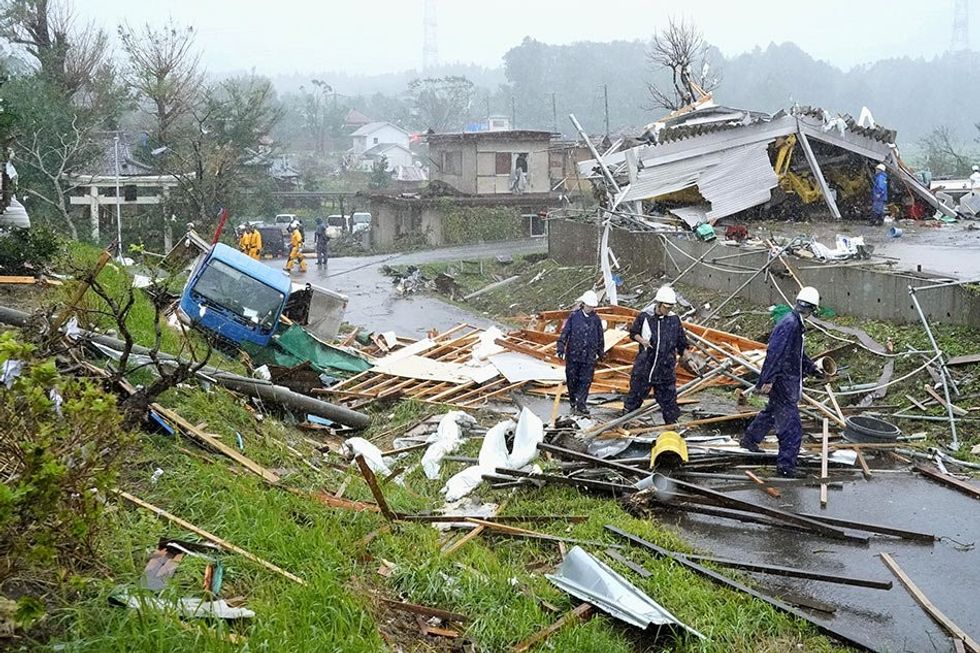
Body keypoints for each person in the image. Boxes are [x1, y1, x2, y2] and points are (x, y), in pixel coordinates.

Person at [740, 286, 824, 478]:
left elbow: (796, 353)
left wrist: (811, 367)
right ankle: (786, 466)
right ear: (811, 309)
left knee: (771, 413)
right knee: (791, 428)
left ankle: (749, 440)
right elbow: (775, 352)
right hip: (784, 383)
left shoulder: (794, 322)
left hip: (785, 381)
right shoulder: (790, 324)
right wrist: (767, 379)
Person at [622, 286, 690, 424]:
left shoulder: (674, 320)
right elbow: (633, 333)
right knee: (635, 396)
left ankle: (672, 427)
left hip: (665, 369)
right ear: (658, 304)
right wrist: (642, 341)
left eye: (671, 307)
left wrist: (688, 357)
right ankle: (625, 421)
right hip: (645, 366)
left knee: (669, 402)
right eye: (666, 307)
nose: (668, 310)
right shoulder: (645, 316)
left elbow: (682, 343)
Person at [556, 290, 605, 416]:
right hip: (573, 354)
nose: (590, 309)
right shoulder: (574, 317)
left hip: (589, 356)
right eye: (589, 306)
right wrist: (561, 346)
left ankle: (581, 403)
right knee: (572, 379)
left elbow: (600, 337)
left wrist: (601, 352)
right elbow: (565, 333)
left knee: (586, 380)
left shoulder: (596, 320)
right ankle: (573, 399)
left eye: (592, 307)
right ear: (583, 304)